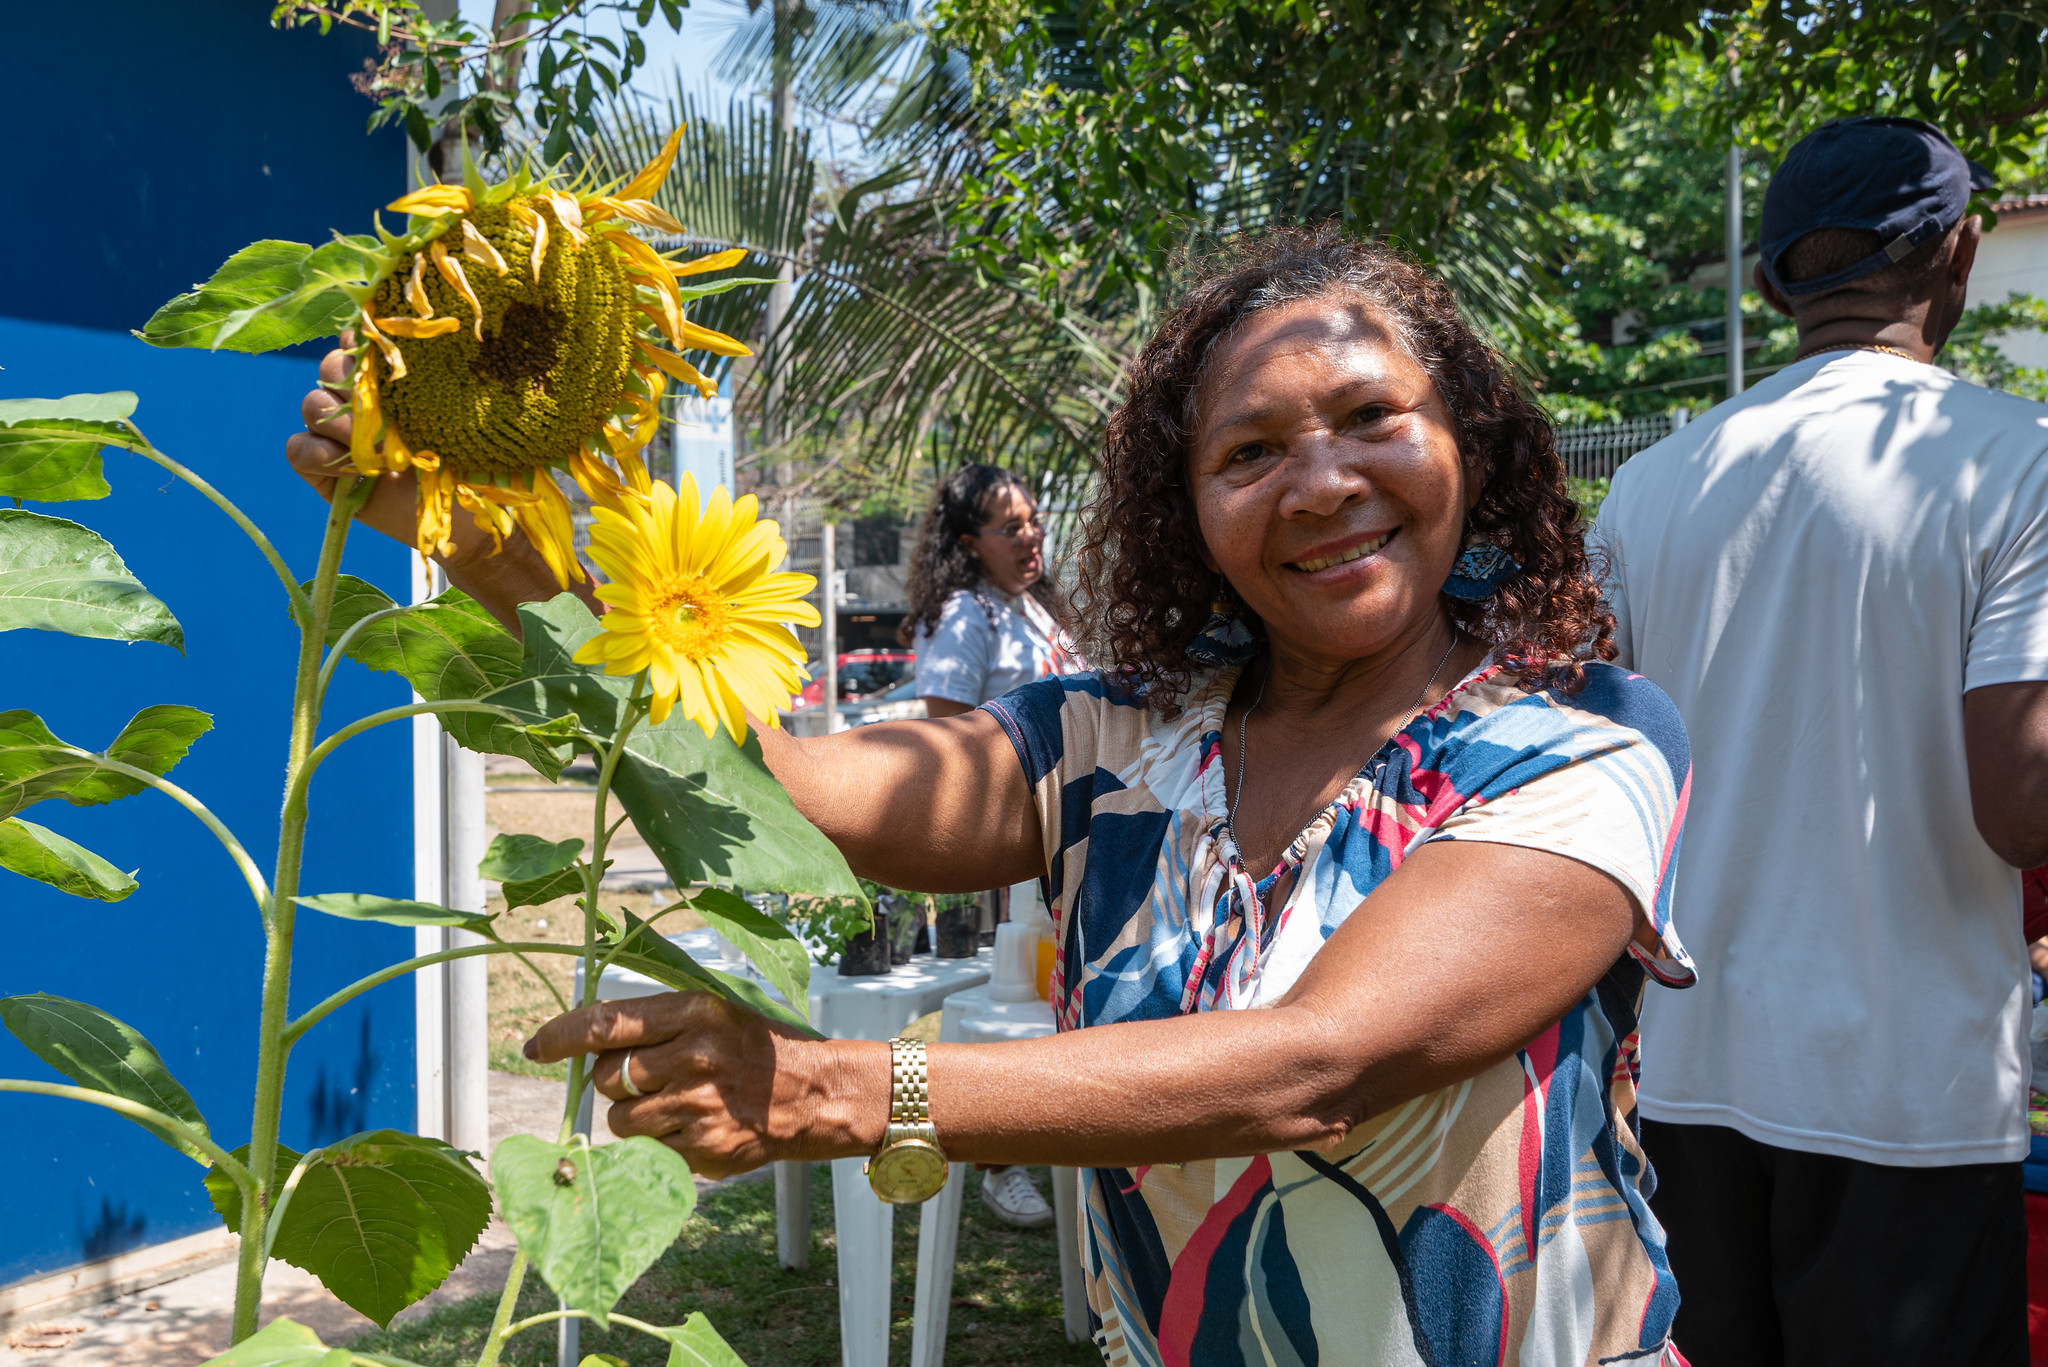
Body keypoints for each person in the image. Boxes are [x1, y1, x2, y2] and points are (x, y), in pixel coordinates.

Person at [290, 230, 1698, 1364]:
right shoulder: (1119, 737)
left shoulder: (1581, 742)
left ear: (1471, 442)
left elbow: (1314, 1063)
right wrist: (499, 554)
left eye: (1371, 418)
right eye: (1251, 451)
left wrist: (829, 1084)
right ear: (1190, 508)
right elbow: (785, 791)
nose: (1323, 481)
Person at [1594, 116, 2048, 1365]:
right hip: (1911, 1090)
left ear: (1768, 281)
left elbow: (1596, 761)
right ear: (1958, 256)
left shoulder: (1652, 483)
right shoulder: (2018, 466)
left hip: (1687, 1079)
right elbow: (2020, 804)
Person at [895, 461, 1083, 1229]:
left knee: (1050, 997)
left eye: (1035, 520)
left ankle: (1052, 1136)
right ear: (970, 542)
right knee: (1006, 1003)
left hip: (1067, 834)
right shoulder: (966, 613)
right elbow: (945, 734)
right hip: (1010, 845)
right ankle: (996, 1160)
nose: (1031, 536)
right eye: (1012, 527)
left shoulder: (1037, 610)